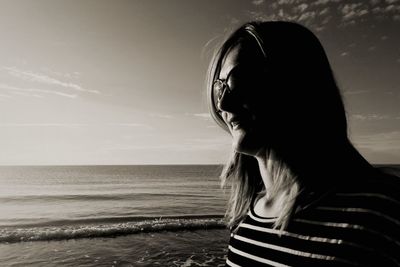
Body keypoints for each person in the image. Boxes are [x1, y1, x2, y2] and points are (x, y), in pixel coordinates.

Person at [207, 21, 400, 266]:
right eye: (219, 87)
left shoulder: (382, 211)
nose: (223, 104)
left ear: (295, 82)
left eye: (238, 80)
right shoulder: (246, 220)